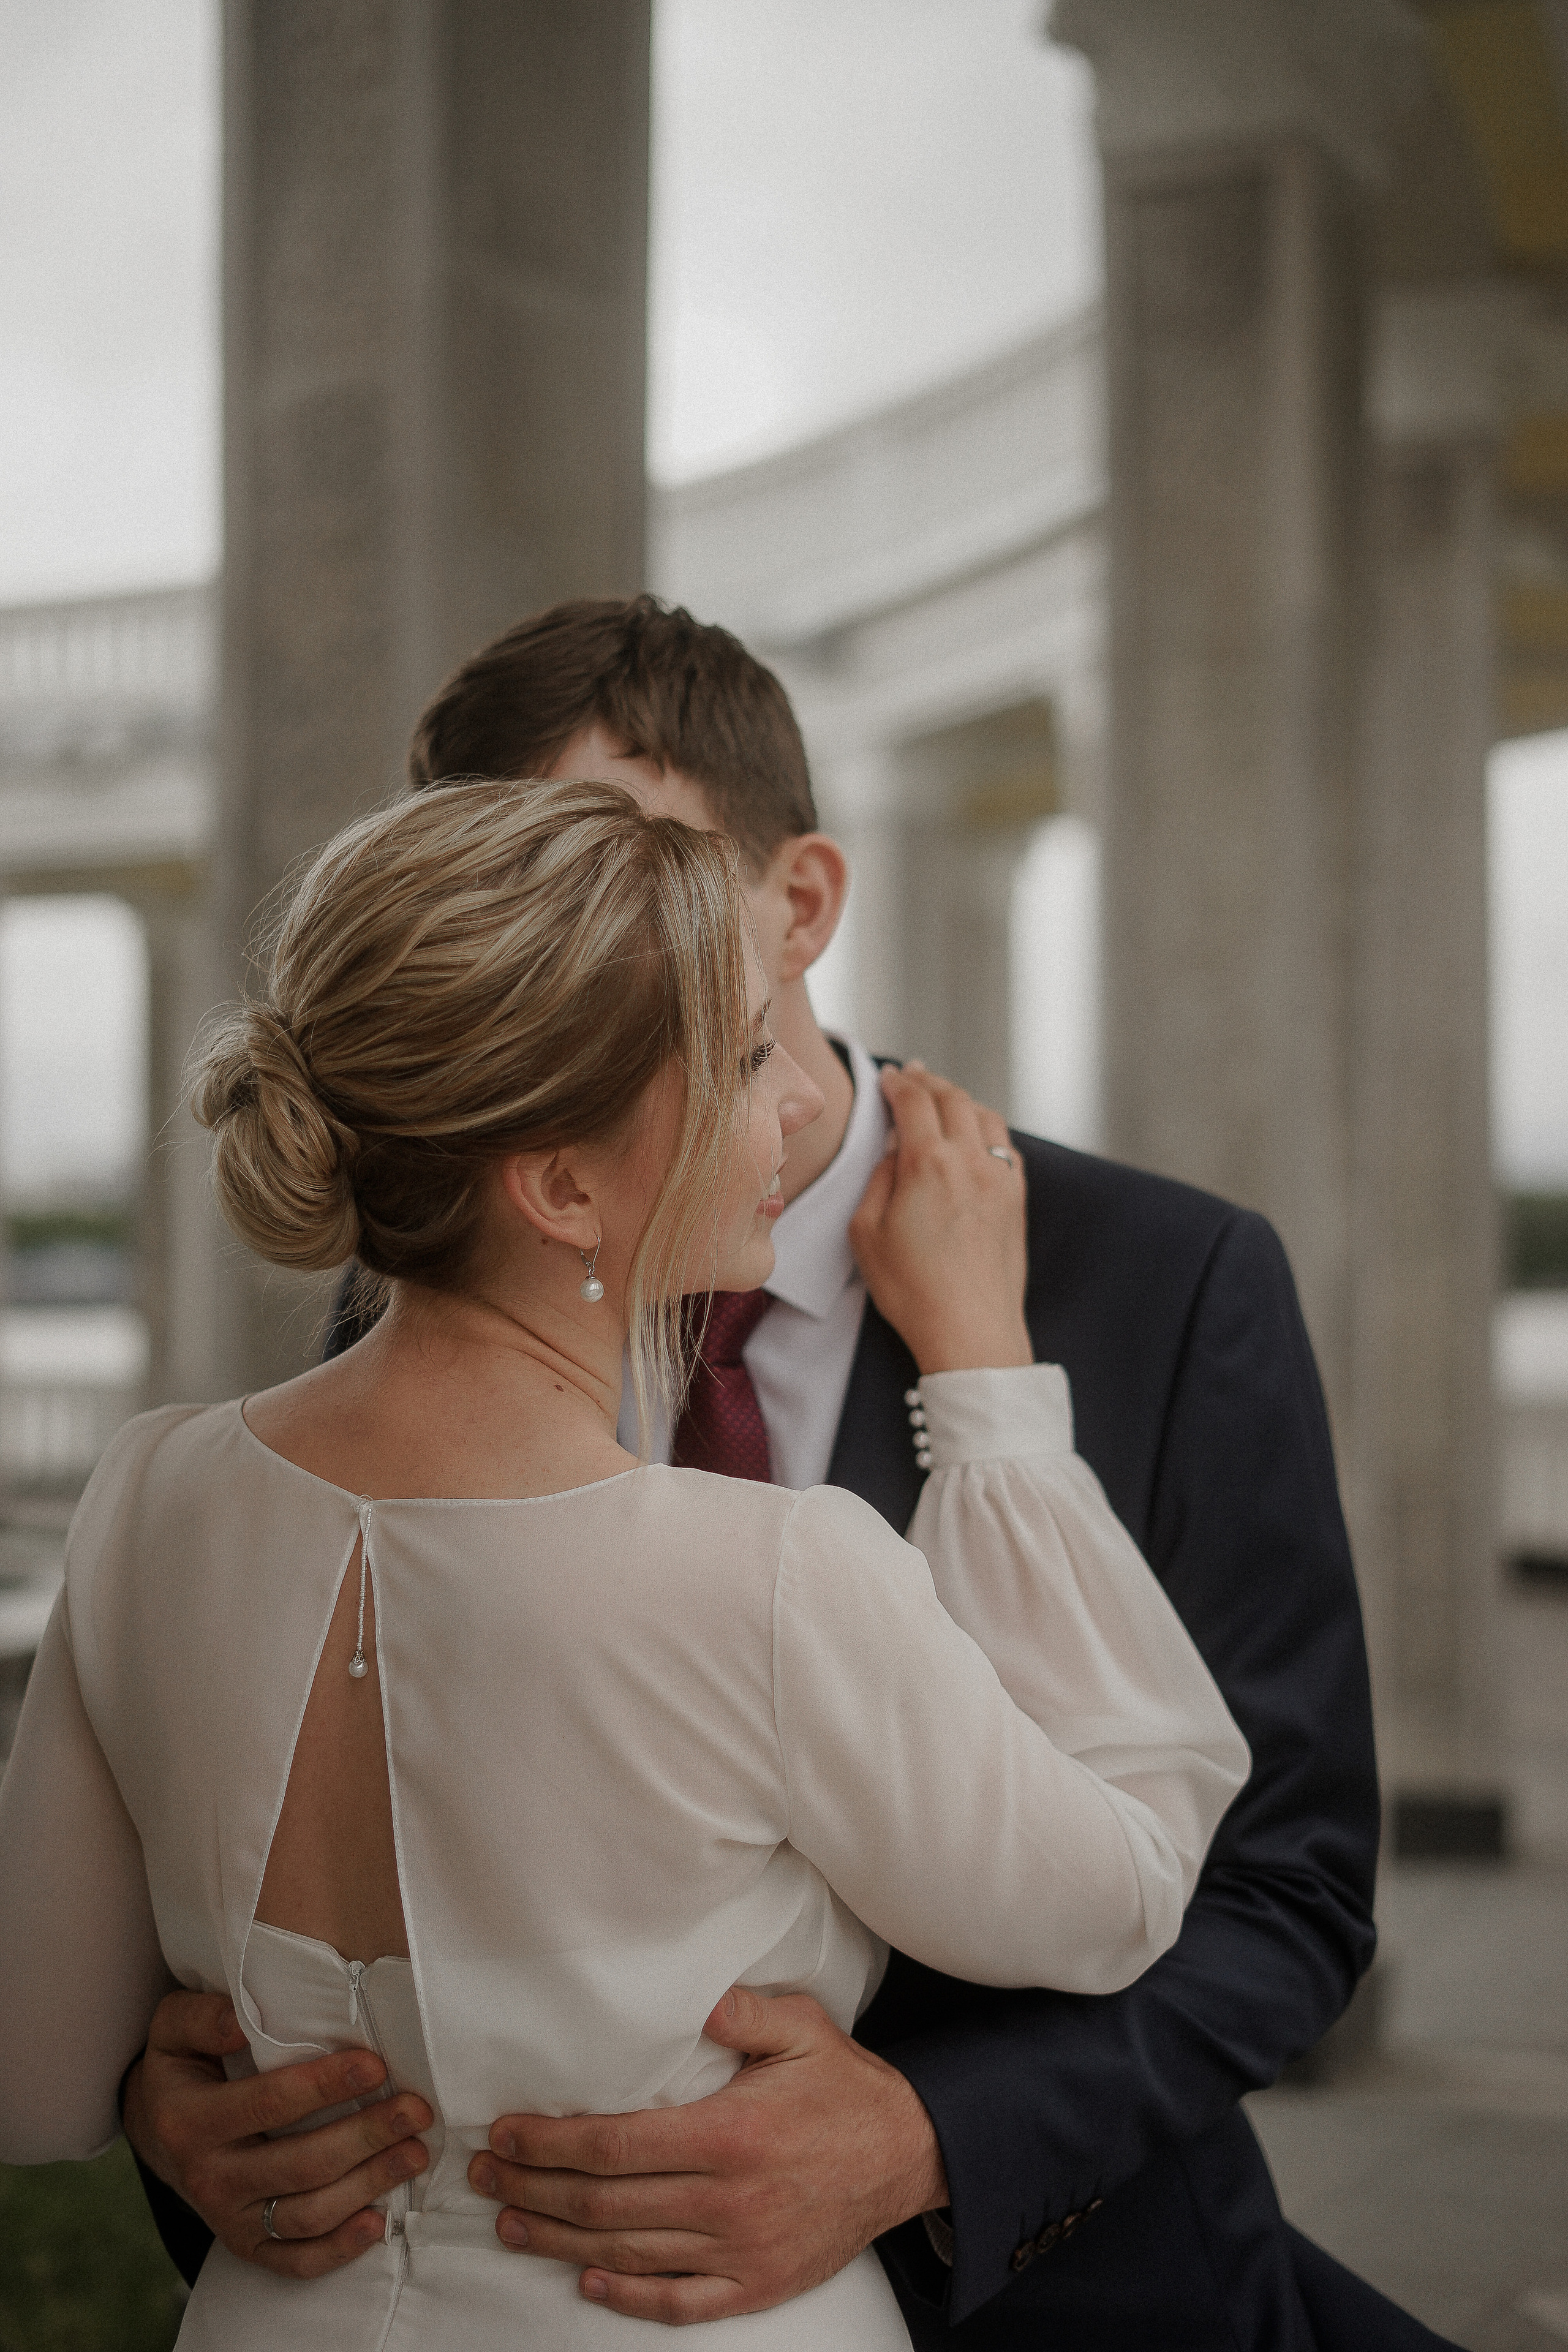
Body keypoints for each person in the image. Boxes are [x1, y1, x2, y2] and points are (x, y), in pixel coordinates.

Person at [120, 601, 1448, 2349]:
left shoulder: (1168, 1277)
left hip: (1092, 2297)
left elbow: (1288, 1892)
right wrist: (184, 2098)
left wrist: (925, 2139)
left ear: (800, 901)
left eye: (619, 865)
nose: (571, 947)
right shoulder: (423, 1293)